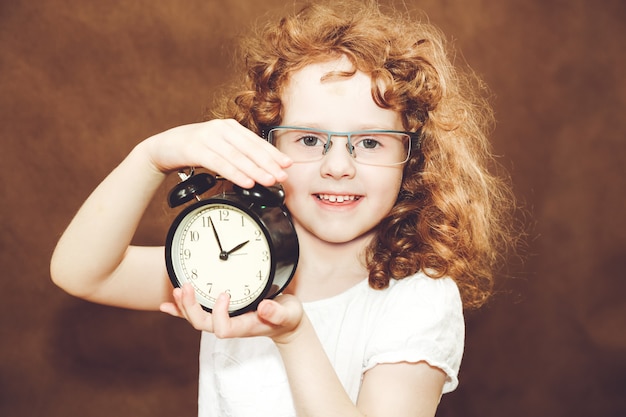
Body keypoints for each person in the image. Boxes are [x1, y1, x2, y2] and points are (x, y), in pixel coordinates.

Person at [50, 1, 516, 416]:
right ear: (264, 147)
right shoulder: (231, 257)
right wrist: (150, 156)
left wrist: (292, 335)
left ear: (412, 158)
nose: (338, 166)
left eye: (370, 141)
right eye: (310, 139)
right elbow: (82, 272)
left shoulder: (417, 299)